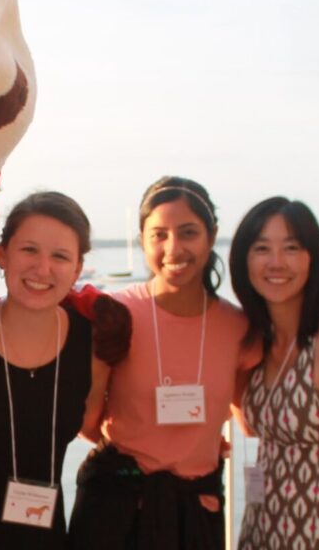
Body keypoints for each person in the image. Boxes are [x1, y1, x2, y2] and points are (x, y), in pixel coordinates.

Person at [70, 176, 256, 550]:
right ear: (142, 239)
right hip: (117, 508)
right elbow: (88, 423)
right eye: (159, 235)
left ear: (211, 234)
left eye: (188, 232)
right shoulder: (116, 314)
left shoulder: (238, 327)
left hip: (196, 511)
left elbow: (247, 419)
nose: (174, 248)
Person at [0, 192, 127, 548]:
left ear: (77, 268)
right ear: (2, 255)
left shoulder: (91, 343)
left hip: (49, 538)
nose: (42, 269)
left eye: (60, 256)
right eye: (29, 250)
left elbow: (94, 427)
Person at [228, 197, 319, 549]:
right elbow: (250, 428)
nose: (277, 262)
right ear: (243, 260)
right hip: (264, 528)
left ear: (313, 258)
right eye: (262, 248)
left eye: (292, 248)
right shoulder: (257, 341)